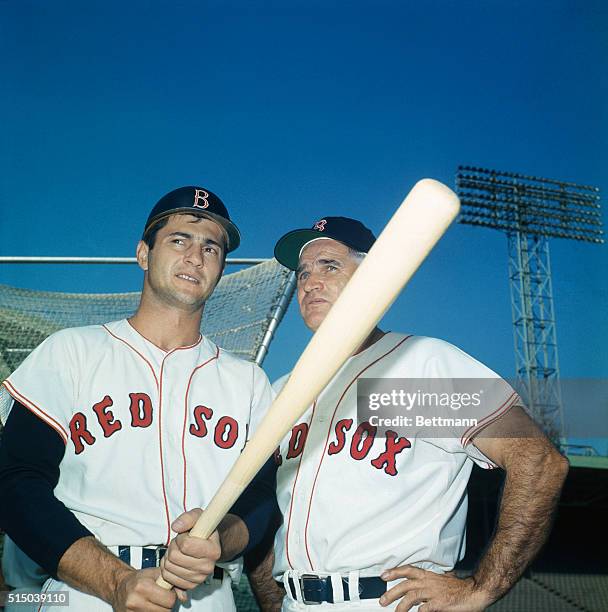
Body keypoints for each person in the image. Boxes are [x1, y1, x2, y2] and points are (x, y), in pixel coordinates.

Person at [246, 216, 569, 611]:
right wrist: (273, 601)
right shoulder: (283, 392)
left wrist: (481, 588)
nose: (310, 282)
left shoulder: (415, 367)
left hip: (384, 602)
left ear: (375, 276)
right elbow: (262, 512)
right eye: (303, 273)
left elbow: (538, 460)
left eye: (330, 266)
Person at [0, 186, 275, 611]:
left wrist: (223, 538)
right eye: (178, 240)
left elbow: (260, 502)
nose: (195, 257)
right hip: (89, 589)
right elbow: (17, 482)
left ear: (221, 268)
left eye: (211, 248)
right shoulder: (71, 351)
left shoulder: (249, 381)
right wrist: (113, 580)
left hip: (205, 592)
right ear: (144, 254)